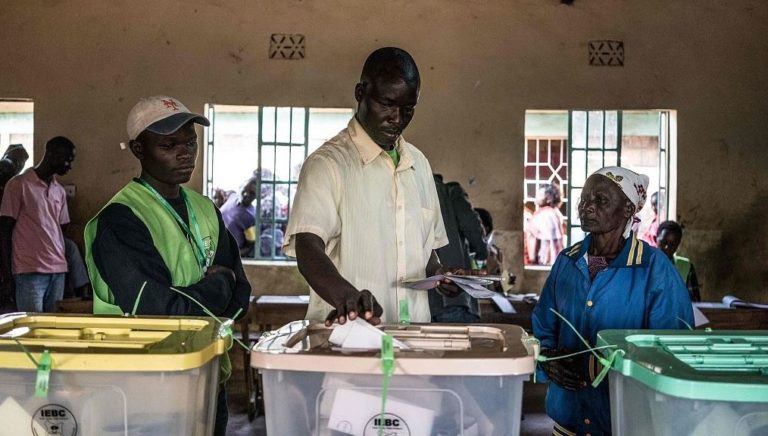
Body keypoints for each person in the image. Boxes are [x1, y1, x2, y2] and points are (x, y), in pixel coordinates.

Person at [84, 95, 250, 436]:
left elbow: (242, 295)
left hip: (207, 376)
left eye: (190, 143)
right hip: (143, 387)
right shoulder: (120, 221)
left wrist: (204, 294)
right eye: (169, 145)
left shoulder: (205, 209)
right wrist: (220, 284)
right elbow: (157, 312)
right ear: (138, 150)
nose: (185, 153)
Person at [284, 47, 457, 325]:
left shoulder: (418, 164)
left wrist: (440, 273)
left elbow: (423, 250)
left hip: (412, 334)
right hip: (350, 337)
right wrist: (346, 296)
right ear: (360, 93)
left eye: (408, 109)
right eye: (387, 104)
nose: (397, 118)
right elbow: (307, 247)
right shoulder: (327, 164)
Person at [533, 166, 693, 436]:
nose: (587, 207)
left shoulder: (654, 267)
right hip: (568, 420)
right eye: (584, 199)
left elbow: (671, 348)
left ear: (628, 210)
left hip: (625, 422)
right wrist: (547, 359)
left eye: (601, 201)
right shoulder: (567, 261)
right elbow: (543, 327)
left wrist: (607, 366)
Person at [0, 137, 76, 312]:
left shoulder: (59, 191)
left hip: (57, 271)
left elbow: (62, 229)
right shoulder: (18, 185)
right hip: (29, 271)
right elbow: (4, 230)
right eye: (67, 160)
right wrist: (7, 274)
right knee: (31, 329)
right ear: (51, 154)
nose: (69, 166)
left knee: (50, 330)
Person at [429, 175, 487, 323]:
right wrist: (482, 254)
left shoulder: (407, 192)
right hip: (452, 295)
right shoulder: (451, 192)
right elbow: (473, 229)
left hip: (417, 303)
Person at [657, 220, 701, 302]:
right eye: (663, 242)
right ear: (656, 239)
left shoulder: (686, 266)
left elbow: (695, 301)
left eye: (672, 244)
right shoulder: (642, 265)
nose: (667, 247)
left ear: (678, 245)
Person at [527, 183, 564, 265]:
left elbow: (546, 241)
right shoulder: (552, 213)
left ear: (549, 199)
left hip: (543, 262)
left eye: (540, 194)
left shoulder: (545, 215)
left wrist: (538, 261)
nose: (536, 196)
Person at [220, 177, 258, 257]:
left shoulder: (251, 217)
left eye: (252, 193)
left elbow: (250, 246)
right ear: (241, 187)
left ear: (256, 197)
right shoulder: (232, 197)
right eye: (245, 190)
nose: (246, 194)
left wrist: (231, 256)